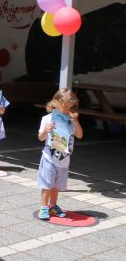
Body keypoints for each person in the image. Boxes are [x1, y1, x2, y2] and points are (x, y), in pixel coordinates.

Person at [37, 88, 83, 220]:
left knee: (56, 186)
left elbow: (79, 135)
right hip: (49, 157)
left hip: (64, 160)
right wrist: (46, 131)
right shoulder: (47, 119)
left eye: (70, 106)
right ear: (56, 103)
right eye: (64, 106)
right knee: (47, 184)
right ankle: (44, 207)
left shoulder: (71, 120)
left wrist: (76, 121)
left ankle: (53, 205)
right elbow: (40, 138)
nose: (66, 109)